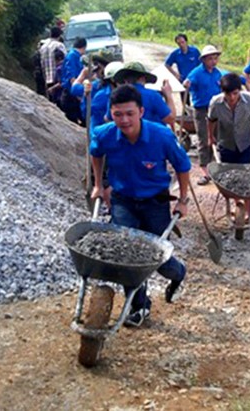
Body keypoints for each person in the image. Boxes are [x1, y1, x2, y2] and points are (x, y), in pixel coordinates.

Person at [90, 85, 190, 326]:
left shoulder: (161, 136)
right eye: (118, 114)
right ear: (110, 114)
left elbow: (183, 167)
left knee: (158, 259)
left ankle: (179, 274)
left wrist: (183, 200)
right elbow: (96, 154)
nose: (124, 120)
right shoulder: (104, 134)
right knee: (128, 256)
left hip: (155, 202)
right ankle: (139, 307)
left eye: (129, 114)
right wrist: (98, 184)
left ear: (141, 112)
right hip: (123, 200)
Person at [208, 73, 250, 218]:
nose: (232, 97)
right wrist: (210, 136)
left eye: (235, 93)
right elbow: (211, 119)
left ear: (239, 90)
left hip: (246, 144)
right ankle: (238, 203)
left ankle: (248, 212)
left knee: (248, 179)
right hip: (226, 144)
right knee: (230, 179)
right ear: (222, 92)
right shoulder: (216, 103)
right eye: (228, 94)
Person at [183, 45, 224, 185]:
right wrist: (187, 84)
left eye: (215, 58)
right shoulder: (196, 73)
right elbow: (187, 83)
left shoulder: (218, 73)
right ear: (204, 60)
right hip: (201, 109)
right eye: (210, 59)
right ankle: (204, 171)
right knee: (203, 138)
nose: (213, 61)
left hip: (216, 108)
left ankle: (215, 167)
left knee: (217, 137)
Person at [109, 62, 176, 128]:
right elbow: (170, 119)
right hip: (152, 136)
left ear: (125, 80)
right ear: (142, 78)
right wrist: (168, 95)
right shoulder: (153, 96)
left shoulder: (116, 95)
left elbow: (108, 118)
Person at [165, 33, 201, 105]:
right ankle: (185, 114)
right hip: (183, 79)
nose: (181, 45)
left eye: (182, 42)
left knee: (198, 98)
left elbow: (201, 64)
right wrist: (175, 74)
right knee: (185, 101)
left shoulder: (195, 51)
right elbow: (167, 64)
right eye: (179, 43)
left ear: (186, 42)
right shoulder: (176, 53)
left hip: (195, 79)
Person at [60, 37, 87, 124]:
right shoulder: (73, 56)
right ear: (84, 47)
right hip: (71, 94)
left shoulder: (75, 55)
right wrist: (78, 95)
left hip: (72, 92)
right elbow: (72, 77)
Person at [39, 26, 66, 95]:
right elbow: (66, 59)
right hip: (57, 76)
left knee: (50, 96)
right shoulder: (59, 45)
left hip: (45, 75)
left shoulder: (42, 45)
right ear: (60, 35)